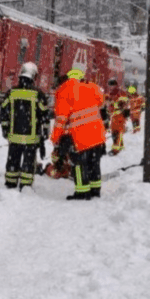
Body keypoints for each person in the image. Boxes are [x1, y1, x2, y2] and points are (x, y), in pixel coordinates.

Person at [50, 68, 107, 200]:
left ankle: (82, 193)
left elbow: (61, 119)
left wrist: (55, 138)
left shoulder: (65, 90)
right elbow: (100, 101)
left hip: (80, 136)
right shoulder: (92, 87)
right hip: (97, 134)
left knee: (79, 165)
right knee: (94, 163)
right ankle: (95, 191)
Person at [0, 62, 49, 190]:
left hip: (14, 136)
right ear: (33, 77)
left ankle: (10, 183)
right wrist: (44, 133)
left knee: (13, 161)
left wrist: (5, 129)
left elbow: (3, 111)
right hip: (31, 138)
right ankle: (25, 185)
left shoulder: (11, 93)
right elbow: (45, 115)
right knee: (28, 163)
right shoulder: (38, 94)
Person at [106, 79, 130, 155]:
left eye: (112, 85)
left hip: (119, 115)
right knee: (114, 132)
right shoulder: (111, 94)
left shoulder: (120, 93)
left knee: (117, 132)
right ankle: (120, 146)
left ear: (115, 85)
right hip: (114, 115)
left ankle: (116, 149)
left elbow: (124, 103)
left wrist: (118, 106)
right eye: (110, 86)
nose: (111, 87)